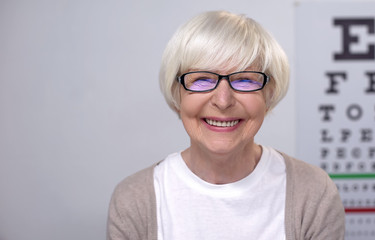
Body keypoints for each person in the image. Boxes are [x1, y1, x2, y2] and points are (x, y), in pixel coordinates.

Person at [107, 10, 345, 240]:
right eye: (201, 79)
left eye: (244, 80)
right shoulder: (135, 199)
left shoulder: (313, 192)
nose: (223, 101)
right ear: (176, 93)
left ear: (269, 94)